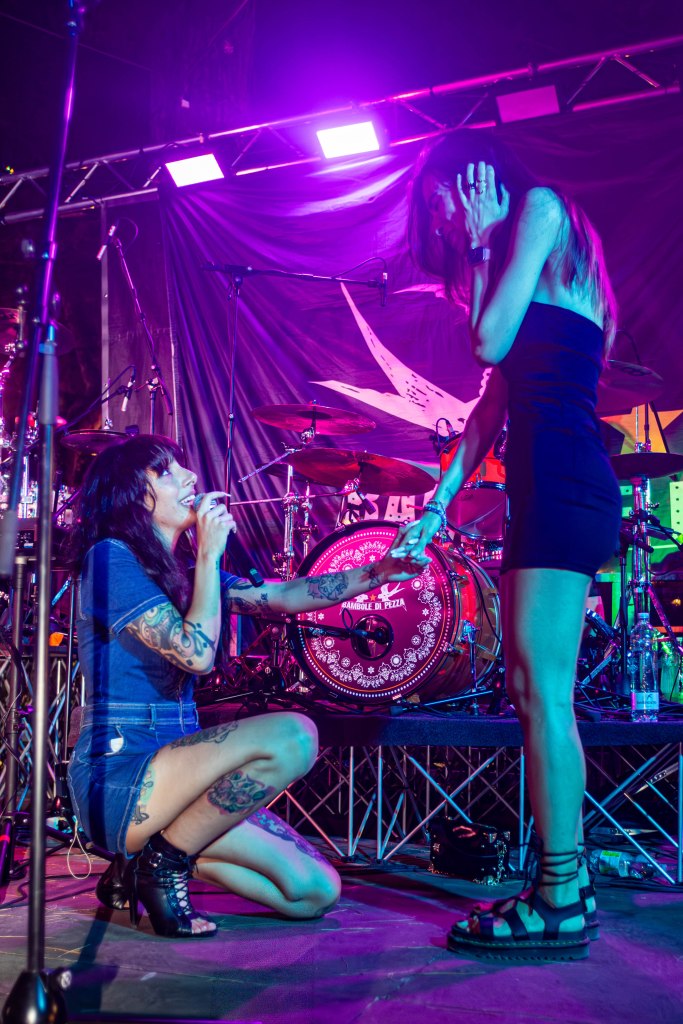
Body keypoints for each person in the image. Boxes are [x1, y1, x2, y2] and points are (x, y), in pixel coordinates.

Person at [67, 433, 429, 938]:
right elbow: (195, 654)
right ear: (132, 494)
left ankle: (151, 857)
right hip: (121, 774)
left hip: (181, 774)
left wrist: (379, 571)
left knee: (313, 893)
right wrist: (209, 556)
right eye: (167, 471)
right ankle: (164, 864)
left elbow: (284, 597)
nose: (190, 478)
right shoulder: (110, 558)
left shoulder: (181, 573)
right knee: (295, 735)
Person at [404, 131, 622, 961]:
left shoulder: (537, 210)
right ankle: (566, 884)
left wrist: (480, 245)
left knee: (542, 695)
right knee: (534, 692)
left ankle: (557, 895)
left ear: (474, 179)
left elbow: (487, 342)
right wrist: (438, 505)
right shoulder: (524, 259)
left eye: (441, 202)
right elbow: (490, 402)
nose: (442, 220)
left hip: (564, 479)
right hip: (546, 483)